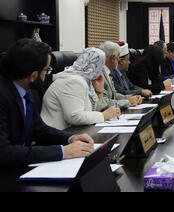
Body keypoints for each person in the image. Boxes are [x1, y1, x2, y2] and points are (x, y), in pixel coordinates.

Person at [0, 39, 95, 167]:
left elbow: (39, 129)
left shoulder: (26, 89)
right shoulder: (3, 95)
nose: (47, 75)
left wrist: (70, 138)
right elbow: (4, 153)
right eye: (47, 70)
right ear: (33, 75)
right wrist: (62, 152)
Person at [41, 48, 121, 130]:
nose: (102, 70)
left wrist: (99, 92)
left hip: (71, 131)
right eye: (101, 65)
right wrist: (104, 115)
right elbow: (75, 117)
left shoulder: (84, 80)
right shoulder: (73, 81)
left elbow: (89, 111)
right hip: (55, 136)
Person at [97, 41, 142, 111]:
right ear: (112, 58)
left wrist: (131, 97)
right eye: (118, 58)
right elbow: (104, 102)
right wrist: (128, 102)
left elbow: (114, 95)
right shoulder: (98, 75)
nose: (118, 61)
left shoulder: (107, 72)